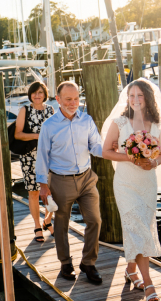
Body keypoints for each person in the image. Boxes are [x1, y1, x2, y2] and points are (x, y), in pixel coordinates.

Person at [101, 78, 161, 301]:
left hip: (147, 183)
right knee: (137, 229)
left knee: (140, 229)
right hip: (125, 184)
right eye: (131, 96)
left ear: (148, 98)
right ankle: (149, 283)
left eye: (140, 96)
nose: (135, 100)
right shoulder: (120, 123)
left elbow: (160, 155)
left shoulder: (157, 125)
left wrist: (153, 163)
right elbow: (106, 152)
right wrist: (129, 156)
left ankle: (131, 270)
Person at [36, 82, 104, 284]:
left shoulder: (87, 120)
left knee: (95, 220)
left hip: (86, 178)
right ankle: (65, 263)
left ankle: (88, 263)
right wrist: (43, 186)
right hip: (60, 180)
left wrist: (116, 152)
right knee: (62, 224)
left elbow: (97, 146)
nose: (73, 103)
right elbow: (42, 157)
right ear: (58, 100)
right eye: (68, 99)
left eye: (76, 99)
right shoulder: (49, 126)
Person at [14, 83, 55, 243]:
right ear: (30, 95)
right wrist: (37, 136)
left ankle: (48, 220)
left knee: (52, 192)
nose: (37, 95)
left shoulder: (50, 110)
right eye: (34, 93)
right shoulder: (25, 110)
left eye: (40, 93)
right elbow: (18, 134)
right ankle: (37, 226)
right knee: (34, 192)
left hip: (50, 156)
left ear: (45, 94)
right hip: (30, 157)